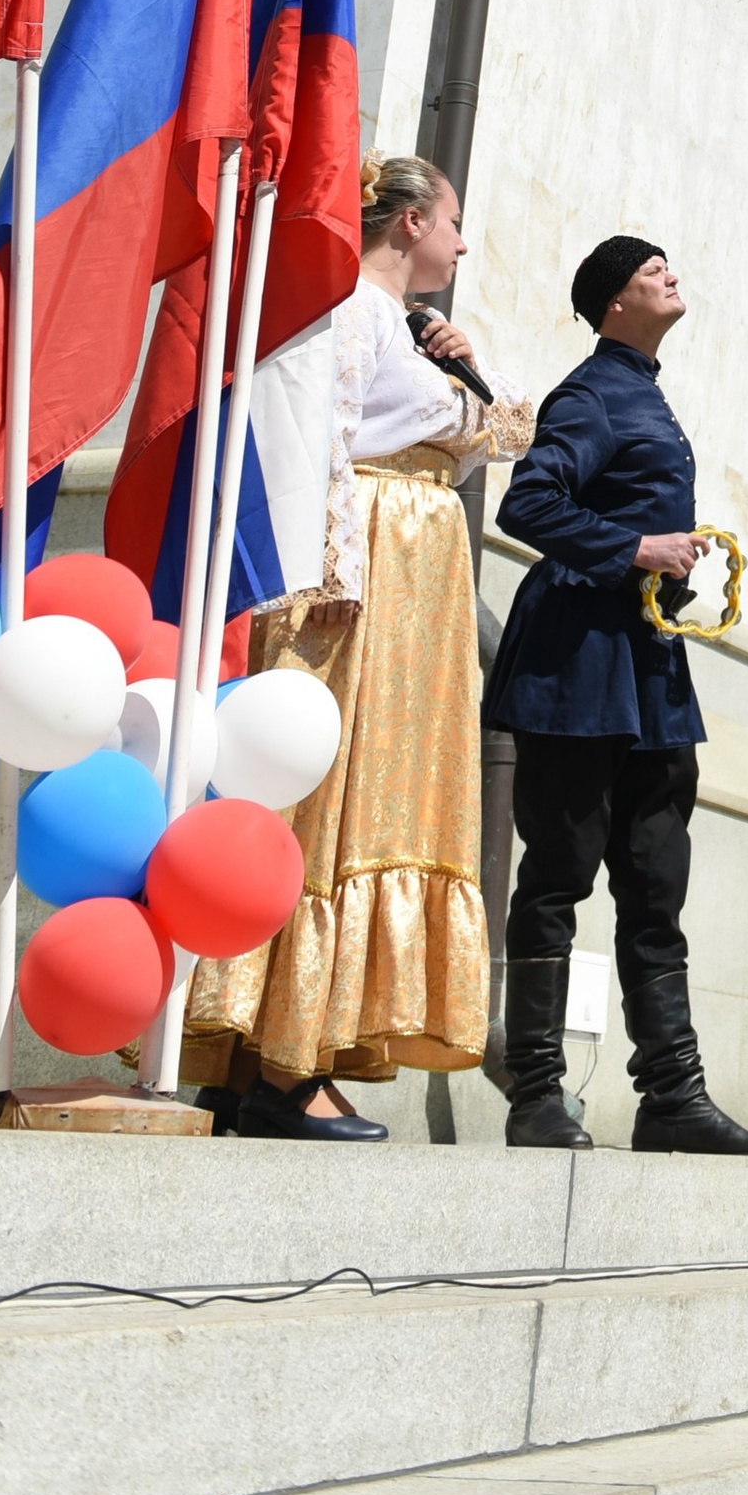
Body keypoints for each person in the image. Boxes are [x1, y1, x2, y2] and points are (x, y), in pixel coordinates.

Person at [185, 153, 533, 1141]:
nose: (461, 244)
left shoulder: (413, 329)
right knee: (329, 793)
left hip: (413, 567)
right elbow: (322, 434)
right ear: (411, 220)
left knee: (380, 787)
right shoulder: (353, 306)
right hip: (366, 557)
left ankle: (270, 1055)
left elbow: (512, 429)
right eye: (452, 222)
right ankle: (279, 1066)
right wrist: (334, 563)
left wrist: (465, 360)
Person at [484, 233, 748, 1155]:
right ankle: (535, 1096)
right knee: (557, 873)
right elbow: (526, 502)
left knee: (655, 884)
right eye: (651, 269)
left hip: (648, 666)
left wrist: (665, 556)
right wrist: (635, 547)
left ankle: (672, 1099)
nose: (670, 274)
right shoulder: (589, 392)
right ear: (615, 300)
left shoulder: (645, 392)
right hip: (576, 665)